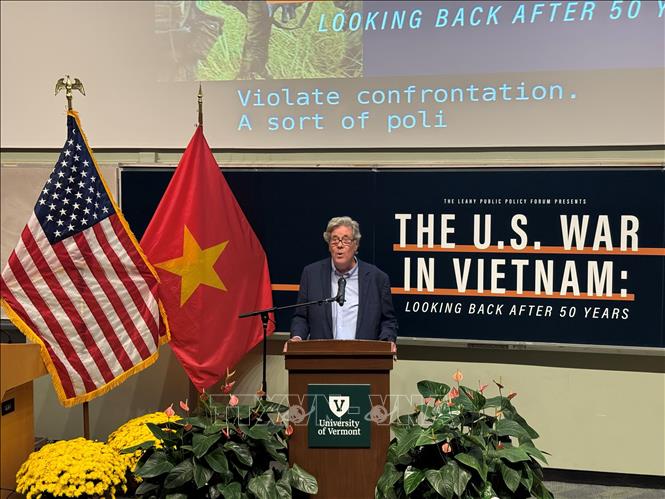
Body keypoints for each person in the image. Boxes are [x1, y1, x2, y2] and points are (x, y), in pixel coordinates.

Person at [290, 216, 398, 343]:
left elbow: (388, 321)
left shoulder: (377, 278)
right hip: (322, 353)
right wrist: (297, 337)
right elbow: (301, 317)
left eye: (346, 240)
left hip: (363, 354)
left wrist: (387, 342)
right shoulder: (311, 275)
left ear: (356, 245)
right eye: (334, 240)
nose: (339, 245)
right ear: (329, 246)